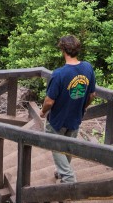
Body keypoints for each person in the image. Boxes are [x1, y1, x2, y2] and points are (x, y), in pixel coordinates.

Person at [39, 35, 96, 184]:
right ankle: (62, 171)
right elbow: (92, 94)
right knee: (68, 146)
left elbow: (49, 101)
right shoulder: (87, 68)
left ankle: (68, 178)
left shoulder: (59, 74)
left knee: (55, 145)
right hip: (75, 116)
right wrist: (83, 107)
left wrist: (43, 111)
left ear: (63, 50)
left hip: (57, 119)